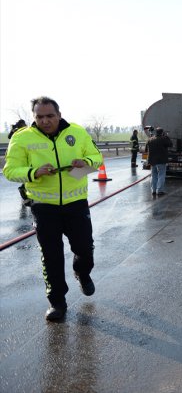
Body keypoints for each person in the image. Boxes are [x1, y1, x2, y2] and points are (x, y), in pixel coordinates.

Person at [2, 97, 103, 322]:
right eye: (40, 117)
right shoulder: (22, 138)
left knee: (84, 248)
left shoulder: (77, 132)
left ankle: (82, 272)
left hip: (76, 204)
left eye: (50, 116)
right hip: (43, 207)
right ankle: (57, 302)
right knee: (51, 256)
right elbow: (10, 171)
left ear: (59, 114)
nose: (45, 121)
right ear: (34, 117)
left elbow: (97, 158)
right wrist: (33, 172)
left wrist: (84, 161)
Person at [8, 119, 30, 205]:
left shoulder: (21, 131)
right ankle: (23, 189)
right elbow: (10, 137)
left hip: (22, 153)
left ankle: (24, 189)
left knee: (26, 172)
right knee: (26, 173)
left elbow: (9, 137)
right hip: (20, 154)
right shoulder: (19, 132)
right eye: (24, 124)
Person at [145, 127, 171, 196]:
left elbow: (145, 149)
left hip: (152, 161)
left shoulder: (150, 139)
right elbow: (170, 144)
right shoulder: (163, 139)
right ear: (162, 133)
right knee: (161, 175)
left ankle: (153, 190)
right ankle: (159, 191)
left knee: (153, 176)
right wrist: (167, 136)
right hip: (161, 161)